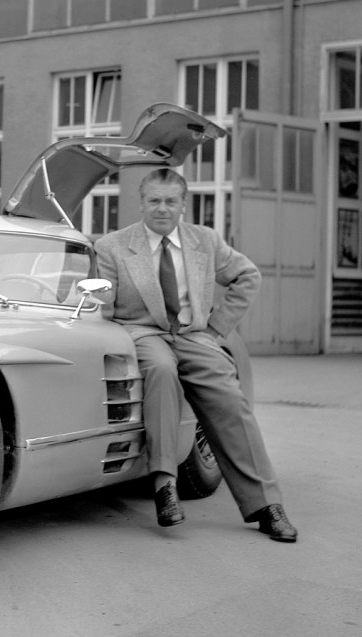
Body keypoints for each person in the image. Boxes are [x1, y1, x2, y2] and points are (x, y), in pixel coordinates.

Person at [93, 168, 297, 542]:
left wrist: (217, 330)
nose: (162, 209)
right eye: (154, 200)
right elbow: (101, 305)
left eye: (171, 201)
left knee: (231, 399)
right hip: (142, 333)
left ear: (184, 204)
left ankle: (266, 505)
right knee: (161, 371)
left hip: (193, 334)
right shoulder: (113, 247)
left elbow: (247, 276)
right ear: (141, 203)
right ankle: (165, 487)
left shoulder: (205, 240)